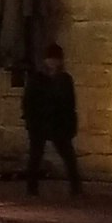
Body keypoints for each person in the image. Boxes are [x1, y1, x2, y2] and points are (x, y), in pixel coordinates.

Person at [22, 44, 80, 196]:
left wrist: (70, 124)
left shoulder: (64, 79)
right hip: (40, 121)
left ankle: (76, 187)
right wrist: (30, 120)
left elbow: (69, 104)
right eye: (50, 59)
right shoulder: (38, 78)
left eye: (55, 59)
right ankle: (31, 187)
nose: (53, 63)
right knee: (35, 155)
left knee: (68, 155)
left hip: (58, 122)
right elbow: (28, 101)